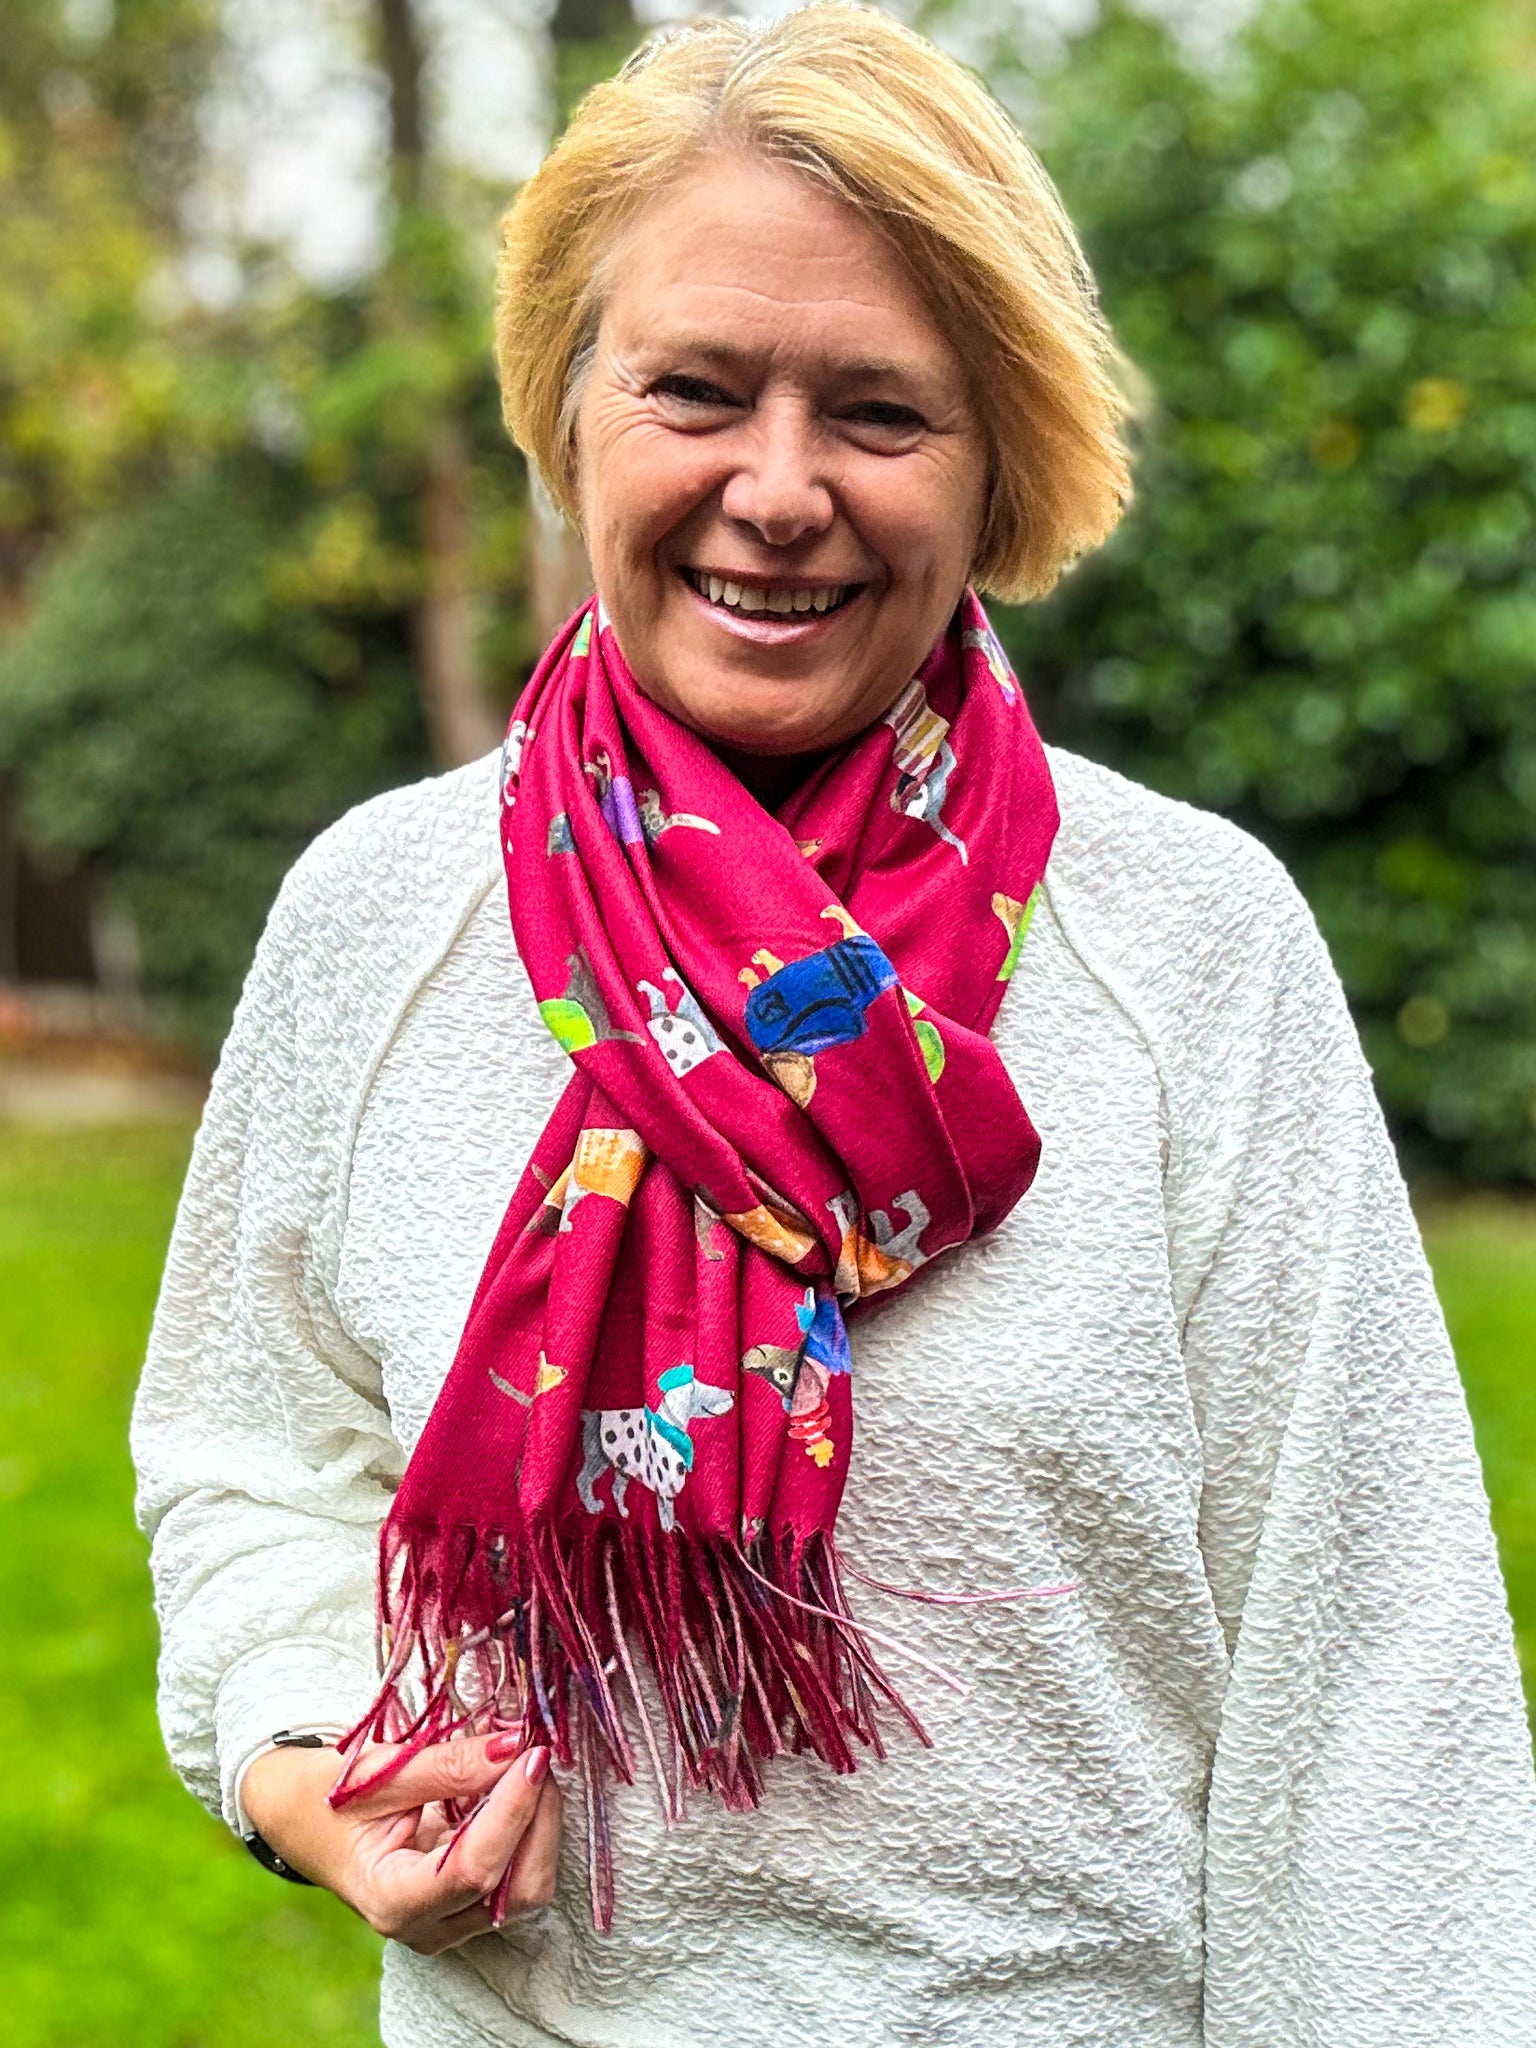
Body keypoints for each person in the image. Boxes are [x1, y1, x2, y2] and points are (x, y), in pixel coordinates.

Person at [132, 9, 1536, 2046]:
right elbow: (251, 1455)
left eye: (880, 412)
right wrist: (312, 1756)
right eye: (695, 389)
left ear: (1000, 460)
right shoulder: (380, 919)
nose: (776, 492)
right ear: (570, 411)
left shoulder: (1192, 952)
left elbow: (1373, 1682)